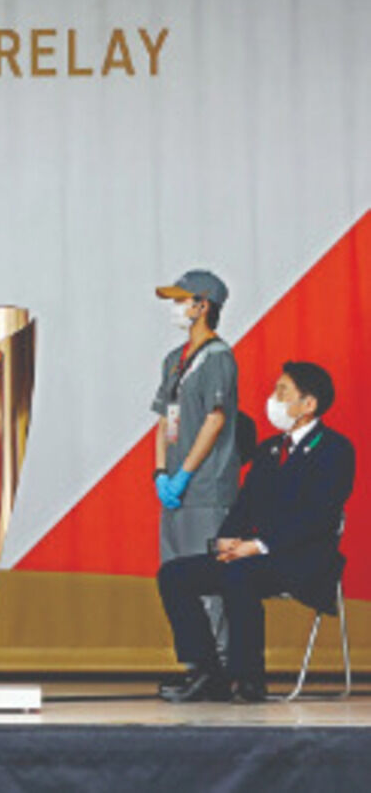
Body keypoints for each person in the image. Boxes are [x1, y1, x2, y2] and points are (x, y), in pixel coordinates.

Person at [157, 362, 354, 703]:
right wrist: (226, 541)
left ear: (309, 405)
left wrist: (259, 546)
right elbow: (244, 507)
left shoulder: (335, 450)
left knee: (239, 575)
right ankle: (208, 673)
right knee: (174, 574)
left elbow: (317, 518)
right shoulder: (269, 450)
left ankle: (248, 679)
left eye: (282, 392)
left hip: (303, 559)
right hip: (253, 555)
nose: (273, 399)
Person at [151, 270, 240, 687]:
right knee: (175, 576)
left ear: (203, 305)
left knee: (209, 583)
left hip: (207, 489)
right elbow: (167, 421)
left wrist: (185, 473)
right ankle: (196, 666)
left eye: (182, 300)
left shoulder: (218, 357)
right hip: (176, 492)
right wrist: (161, 473)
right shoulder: (175, 360)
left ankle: (220, 667)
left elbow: (215, 420)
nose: (176, 308)